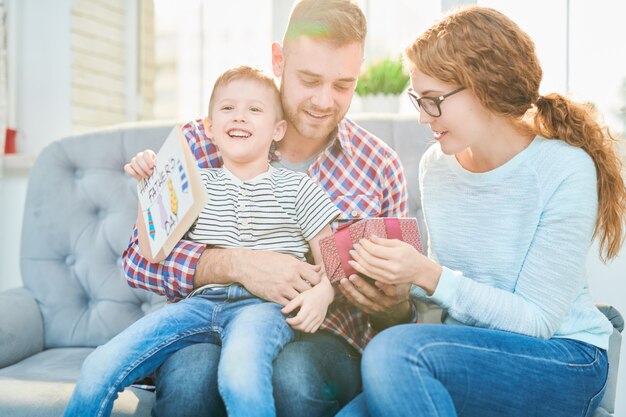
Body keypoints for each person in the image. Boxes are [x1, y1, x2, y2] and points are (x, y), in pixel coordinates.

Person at [122, 1, 416, 416]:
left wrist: (395, 306)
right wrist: (238, 265)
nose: (323, 100)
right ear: (279, 60)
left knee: (293, 377)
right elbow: (137, 261)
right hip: (207, 325)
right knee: (192, 379)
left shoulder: (378, 164)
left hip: (323, 337)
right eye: (309, 79)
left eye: (342, 85)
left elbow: (396, 315)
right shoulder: (203, 141)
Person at [336, 6, 626, 417]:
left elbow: (536, 321)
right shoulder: (436, 165)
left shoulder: (563, 168)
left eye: (433, 101)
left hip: (565, 359)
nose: (422, 117)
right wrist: (393, 282)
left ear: (484, 87)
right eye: (418, 100)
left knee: (392, 354)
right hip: (472, 354)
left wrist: (424, 273)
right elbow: (451, 283)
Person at [64, 66, 342, 417]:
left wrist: (323, 292)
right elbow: (152, 251)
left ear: (277, 130)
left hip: (263, 308)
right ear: (209, 128)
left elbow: (331, 256)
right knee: (98, 366)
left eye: (254, 109)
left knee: (240, 376)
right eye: (227, 108)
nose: (239, 116)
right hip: (196, 305)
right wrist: (149, 187)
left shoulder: (299, 188)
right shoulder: (194, 184)